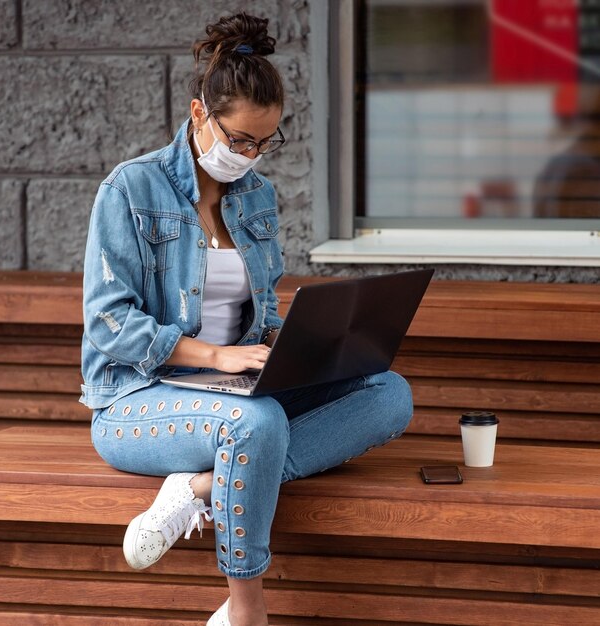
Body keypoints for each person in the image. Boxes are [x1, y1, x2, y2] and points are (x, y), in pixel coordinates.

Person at [80, 12, 413, 626]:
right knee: (255, 424)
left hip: (234, 389)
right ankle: (244, 610)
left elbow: (259, 314)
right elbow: (108, 324)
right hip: (137, 399)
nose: (251, 156)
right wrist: (215, 357)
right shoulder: (130, 189)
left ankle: (200, 488)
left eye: (266, 142)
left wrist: (299, 343)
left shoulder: (255, 198)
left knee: (387, 391)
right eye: (239, 141)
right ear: (199, 114)